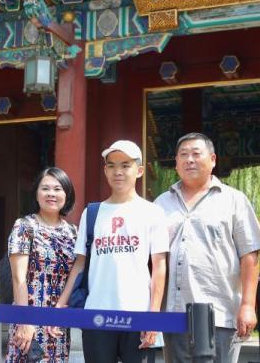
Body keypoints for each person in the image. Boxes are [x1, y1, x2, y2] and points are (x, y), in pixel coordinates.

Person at [154, 133, 260, 363]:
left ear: (213, 159)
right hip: (174, 315)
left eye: (196, 154)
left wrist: (248, 305)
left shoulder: (234, 200)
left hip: (221, 314)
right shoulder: (161, 203)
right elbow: (154, 261)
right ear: (176, 163)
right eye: (183, 155)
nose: (189, 160)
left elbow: (250, 255)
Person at [55, 140, 168, 363]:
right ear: (105, 170)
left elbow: (159, 267)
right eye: (112, 165)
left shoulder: (153, 212)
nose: (118, 171)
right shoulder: (92, 212)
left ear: (139, 170)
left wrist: (153, 315)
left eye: (125, 165)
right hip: (96, 313)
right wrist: (61, 302)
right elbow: (80, 263)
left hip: (138, 314)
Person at [6, 167, 78, 363]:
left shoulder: (73, 232)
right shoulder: (25, 226)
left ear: (67, 194)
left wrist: (61, 310)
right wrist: (24, 320)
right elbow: (18, 278)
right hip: (28, 314)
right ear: (36, 194)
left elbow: (76, 275)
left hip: (58, 321)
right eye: (45, 188)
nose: (51, 194)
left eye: (57, 189)